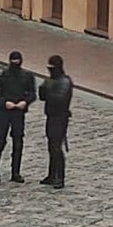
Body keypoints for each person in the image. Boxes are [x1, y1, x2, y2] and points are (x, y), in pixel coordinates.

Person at [0, 51, 35, 184]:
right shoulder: (1, 76)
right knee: (0, 141)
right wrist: (4, 102)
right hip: (4, 112)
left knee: (18, 142)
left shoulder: (26, 76)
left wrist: (25, 102)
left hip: (18, 113)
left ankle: (16, 171)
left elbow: (32, 93)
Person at [38, 55, 72, 190]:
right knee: (51, 146)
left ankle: (60, 177)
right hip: (51, 116)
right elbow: (42, 97)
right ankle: (52, 174)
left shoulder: (64, 82)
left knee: (56, 147)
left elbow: (61, 99)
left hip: (60, 117)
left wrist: (49, 91)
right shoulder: (51, 80)